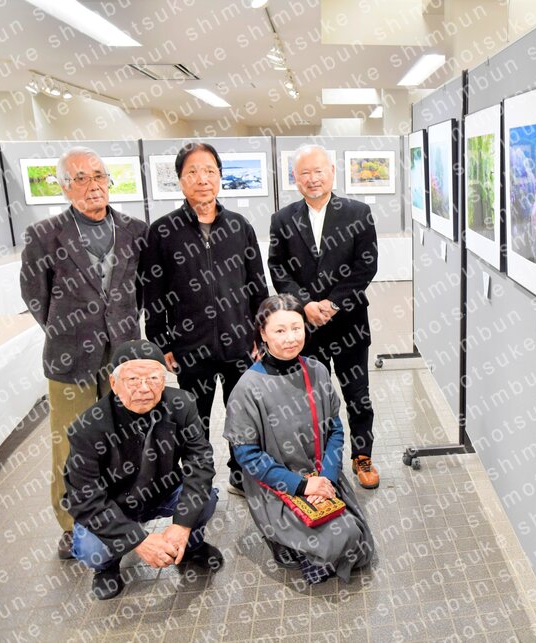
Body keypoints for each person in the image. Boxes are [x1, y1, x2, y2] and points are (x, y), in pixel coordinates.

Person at [20, 146, 148, 560]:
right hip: (69, 357)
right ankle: (71, 524)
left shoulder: (134, 230)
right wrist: (68, 330)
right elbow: (35, 296)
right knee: (70, 443)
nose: (92, 185)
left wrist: (120, 328)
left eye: (98, 176)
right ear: (64, 186)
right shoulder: (44, 235)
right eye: (80, 178)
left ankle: (119, 512)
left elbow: (139, 292)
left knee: (123, 438)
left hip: (121, 356)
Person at [141, 142, 268, 496]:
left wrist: (260, 333)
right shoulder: (162, 231)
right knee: (194, 420)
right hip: (189, 346)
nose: (202, 179)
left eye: (210, 171)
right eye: (193, 172)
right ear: (180, 180)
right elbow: (153, 293)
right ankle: (199, 483)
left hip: (239, 342)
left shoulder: (239, 226)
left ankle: (241, 475)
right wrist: (161, 342)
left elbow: (257, 284)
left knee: (243, 415)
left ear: (220, 177)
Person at [224, 295, 374, 584]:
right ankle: (284, 542)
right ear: (263, 334)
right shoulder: (247, 388)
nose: (291, 338)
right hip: (277, 484)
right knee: (340, 538)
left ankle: (304, 546)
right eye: (280, 330)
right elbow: (247, 456)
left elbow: (335, 430)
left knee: (360, 543)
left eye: (296, 328)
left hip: (322, 476)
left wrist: (326, 477)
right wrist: (302, 485)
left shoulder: (317, 371)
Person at [63, 340, 223, 600]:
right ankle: (107, 567)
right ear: (114, 383)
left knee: (204, 499)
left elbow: (200, 462)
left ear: (164, 380)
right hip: (115, 504)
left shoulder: (181, 404)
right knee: (92, 549)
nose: (145, 388)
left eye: (153, 378)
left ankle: (190, 545)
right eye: (133, 380)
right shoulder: (87, 428)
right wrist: (138, 541)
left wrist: (182, 525)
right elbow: (83, 497)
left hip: (164, 491)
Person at [268, 144, 380, 489]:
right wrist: (305, 305)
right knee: (311, 397)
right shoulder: (282, 219)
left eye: (318, 171)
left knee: (357, 394)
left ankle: (362, 454)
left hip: (349, 323)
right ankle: (314, 459)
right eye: (305, 173)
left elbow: (366, 265)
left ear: (332, 171)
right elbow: (278, 268)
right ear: (295, 178)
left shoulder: (358, 213)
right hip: (305, 328)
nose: (312, 179)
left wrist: (332, 303)